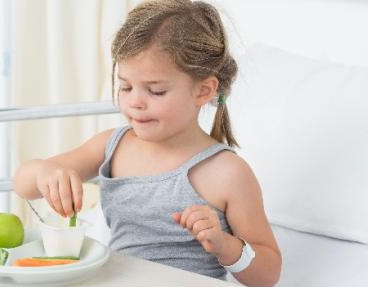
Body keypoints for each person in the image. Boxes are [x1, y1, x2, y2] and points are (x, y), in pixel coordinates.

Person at [14, 0, 281, 285]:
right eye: (126, 86)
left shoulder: (227, 172)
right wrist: (45, 172)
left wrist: (225, 246)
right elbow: (24, 185)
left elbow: (268, 274)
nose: (134, 102)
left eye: (155, 91)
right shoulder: (113, 146)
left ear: (203, 90)